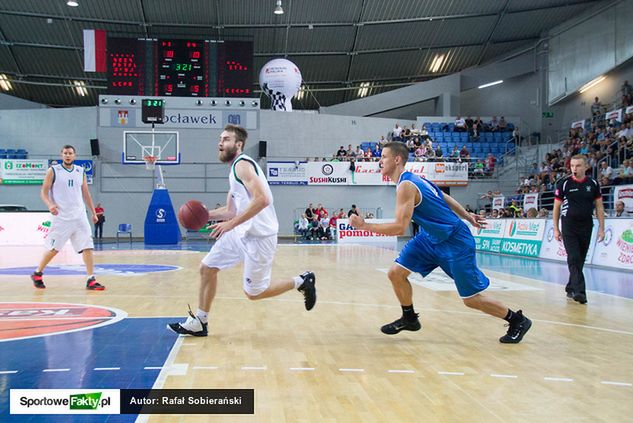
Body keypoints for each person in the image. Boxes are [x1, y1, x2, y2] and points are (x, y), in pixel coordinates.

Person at [349, 142, 531, 344]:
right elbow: (444, 197)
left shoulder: (407, 186)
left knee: (471, 299)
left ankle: (517, 320)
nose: (379, 161)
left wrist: (365, 226)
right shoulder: (415, 180)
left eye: (383, 156)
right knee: (396, 273)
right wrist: (467, 216)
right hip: (430, 238)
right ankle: (409, 318)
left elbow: (400, 228)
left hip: (455, 241)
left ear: (397, 159)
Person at [168, 125, 316, 336]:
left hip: (259, 238)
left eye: (226, 139)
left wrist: (231, 224)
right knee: (207, 268)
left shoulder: (243, 165)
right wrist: (203, 215)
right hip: (241, 234)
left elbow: (263, 199)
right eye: (220, 139)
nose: (221, 143)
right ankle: (200, 321)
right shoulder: (234, 171)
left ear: (239, 145)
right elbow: (230, 211)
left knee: (254, 293)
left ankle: (302, 280)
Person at [31, 145, 104, 291]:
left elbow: (86, 194)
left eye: (70, 153)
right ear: (61, 155)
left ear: (75, 156)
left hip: (79, 216)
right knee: (54, 249)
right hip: (62, 217)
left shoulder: (80, 171)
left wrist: (93, 212)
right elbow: (43, 192)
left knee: (87, 246)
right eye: (65, 153)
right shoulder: (53, 171)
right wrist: (50, 205)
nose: (68, 155)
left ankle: (90, 279)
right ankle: (38, 273)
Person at [553, 155, 605, 305]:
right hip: (569, 225)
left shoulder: (593, 184)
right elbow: (556, 208)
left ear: (585, 167)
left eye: (578, 166)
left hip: (586, 225)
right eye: (572, 166)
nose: (575, 169)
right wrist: (556, 229)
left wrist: (602, 228)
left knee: (580, 259)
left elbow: (599, 206)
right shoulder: (564, 184)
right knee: (574, 257)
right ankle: (580, 292)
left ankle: (570, 286)